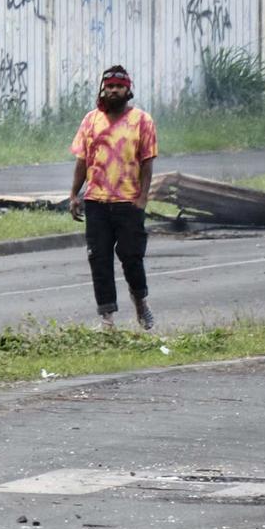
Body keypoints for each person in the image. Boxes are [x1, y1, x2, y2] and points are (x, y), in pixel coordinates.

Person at [68, 64, 157, 332]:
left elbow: (148, 161)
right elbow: (82, 161)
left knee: (131, 256)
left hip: (128, 201)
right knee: (99, 258)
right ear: (103, 89)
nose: (113, 91)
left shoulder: (142, 121)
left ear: (127, 89)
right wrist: (74, 194)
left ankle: (140, 300)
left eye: (119, 86)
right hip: (96, 200)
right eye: (109, 87)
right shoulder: (91, 120)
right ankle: (107, 318)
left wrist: (142, 198)